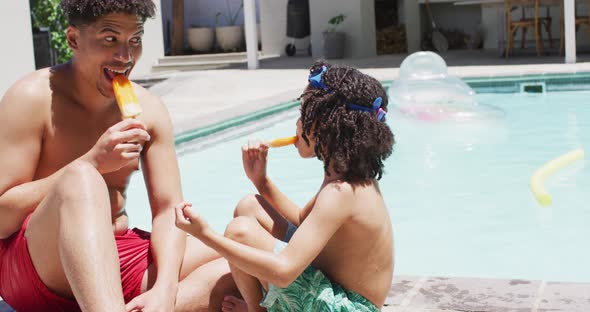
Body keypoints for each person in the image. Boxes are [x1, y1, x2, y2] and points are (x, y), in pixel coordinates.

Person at [0, 1, 237, 311]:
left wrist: (165, 290)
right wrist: (92, 161)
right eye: (110, 39)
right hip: (33, 265)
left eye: (134, 40)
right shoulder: (32, 97)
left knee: (240, 265)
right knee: (82, 179)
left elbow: (169, 210)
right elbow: (2, 219)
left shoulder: (149, 109)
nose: (125, 56)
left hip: (115, 253)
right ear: (73, 40)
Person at [175, 61, 395, 312]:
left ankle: (256, 309)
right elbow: (305, 220)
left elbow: (284, 272)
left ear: (326, 125)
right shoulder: (346, 176)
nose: (298, 124)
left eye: (304, 115)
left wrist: (206, 235)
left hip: (348, 307)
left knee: (240, 231)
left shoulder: (341, 192)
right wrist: (261, 181)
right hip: (334, 289)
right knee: (250, 206)